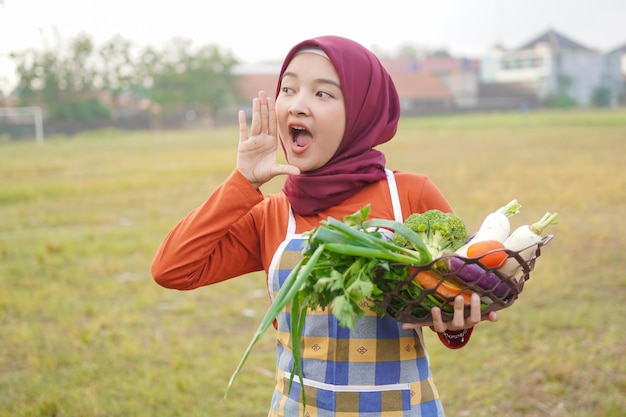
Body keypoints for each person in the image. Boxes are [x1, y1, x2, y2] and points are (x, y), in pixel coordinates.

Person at [151, 35, 498, 417]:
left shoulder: (410, 196)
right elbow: (172, 269)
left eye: (323, 94)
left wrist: (454, 324)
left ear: (362, 112)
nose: (298, 105)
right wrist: (243, 182)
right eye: (289, 89)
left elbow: (453, 307)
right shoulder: (272, 214)